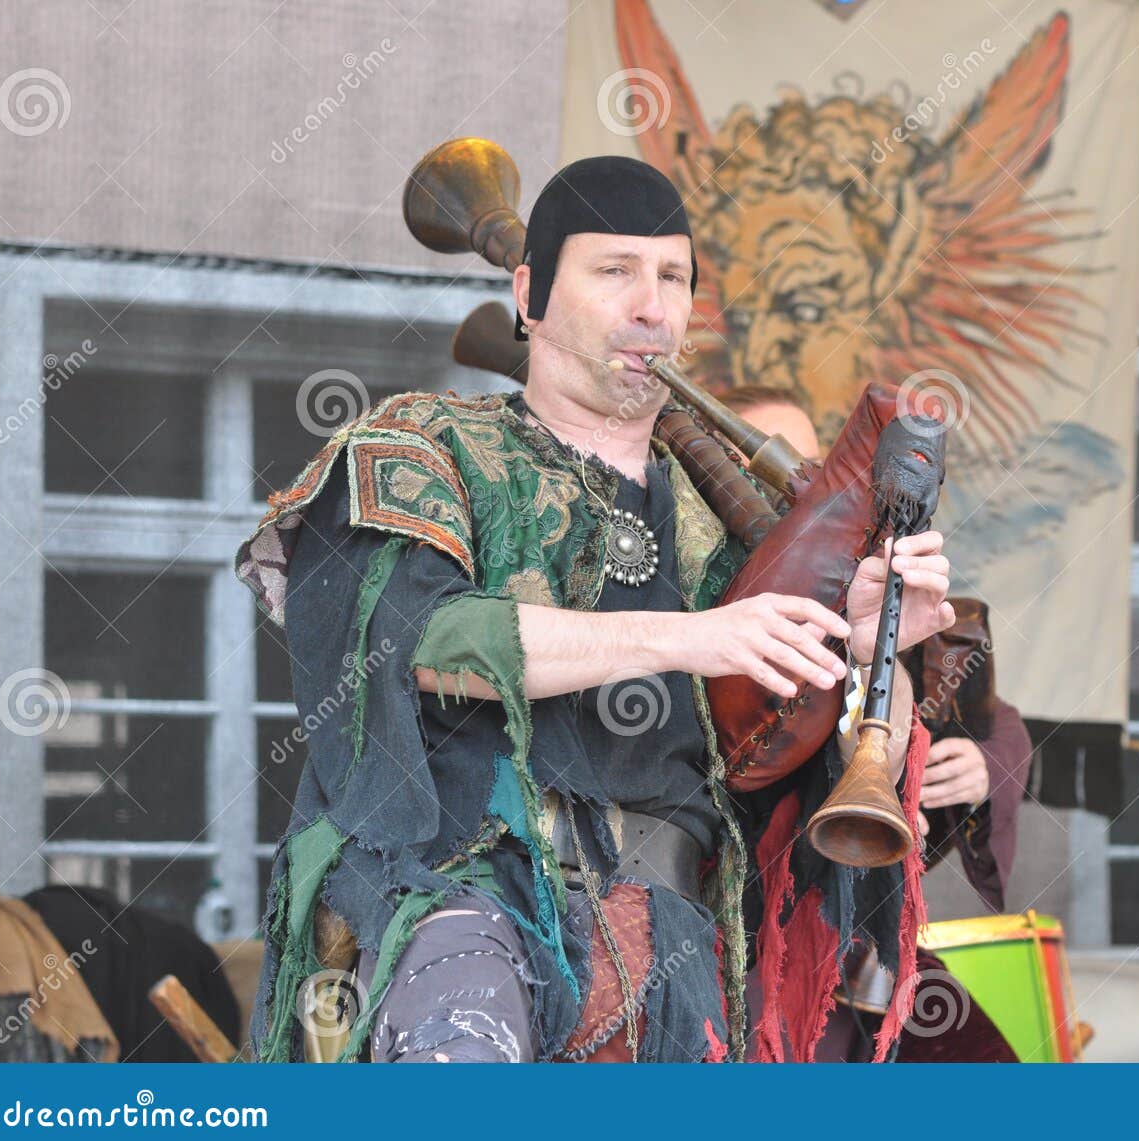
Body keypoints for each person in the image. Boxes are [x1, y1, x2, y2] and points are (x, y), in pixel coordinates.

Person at [234, 155, 955, 1063]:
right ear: (531, 292)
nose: (651, 305)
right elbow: (416, 642)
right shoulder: (428, 444)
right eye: (613, 270)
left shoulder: (725, 535)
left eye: (673, 278)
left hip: (682, 951)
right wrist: (688, 636)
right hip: (466, 903)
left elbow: (768, 779)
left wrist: (856, 645)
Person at [730, 391, 1032, 1061]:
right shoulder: (709, 595)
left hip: (862, 928)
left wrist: (994, 759)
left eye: (808, 464)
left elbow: (992, 719)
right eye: (761, 461)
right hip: (734, 924)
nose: (794, 483)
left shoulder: (861, 577)